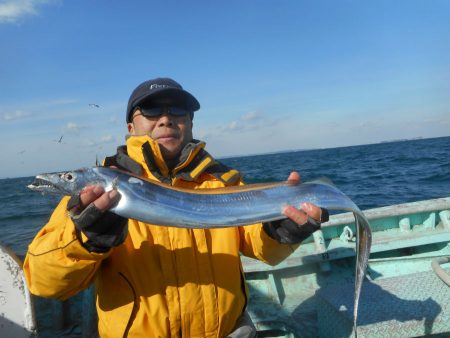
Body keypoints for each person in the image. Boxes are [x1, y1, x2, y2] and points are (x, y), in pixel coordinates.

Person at [24, 78, 328, 338]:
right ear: (131, 127)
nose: (166, 119)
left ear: (191, 124)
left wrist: (281, 231)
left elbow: (261, 247)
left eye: (178, 111)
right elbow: (44, 283)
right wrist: (85, 239)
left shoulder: (224, 182)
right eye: (152, 110)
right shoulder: (91, 196)